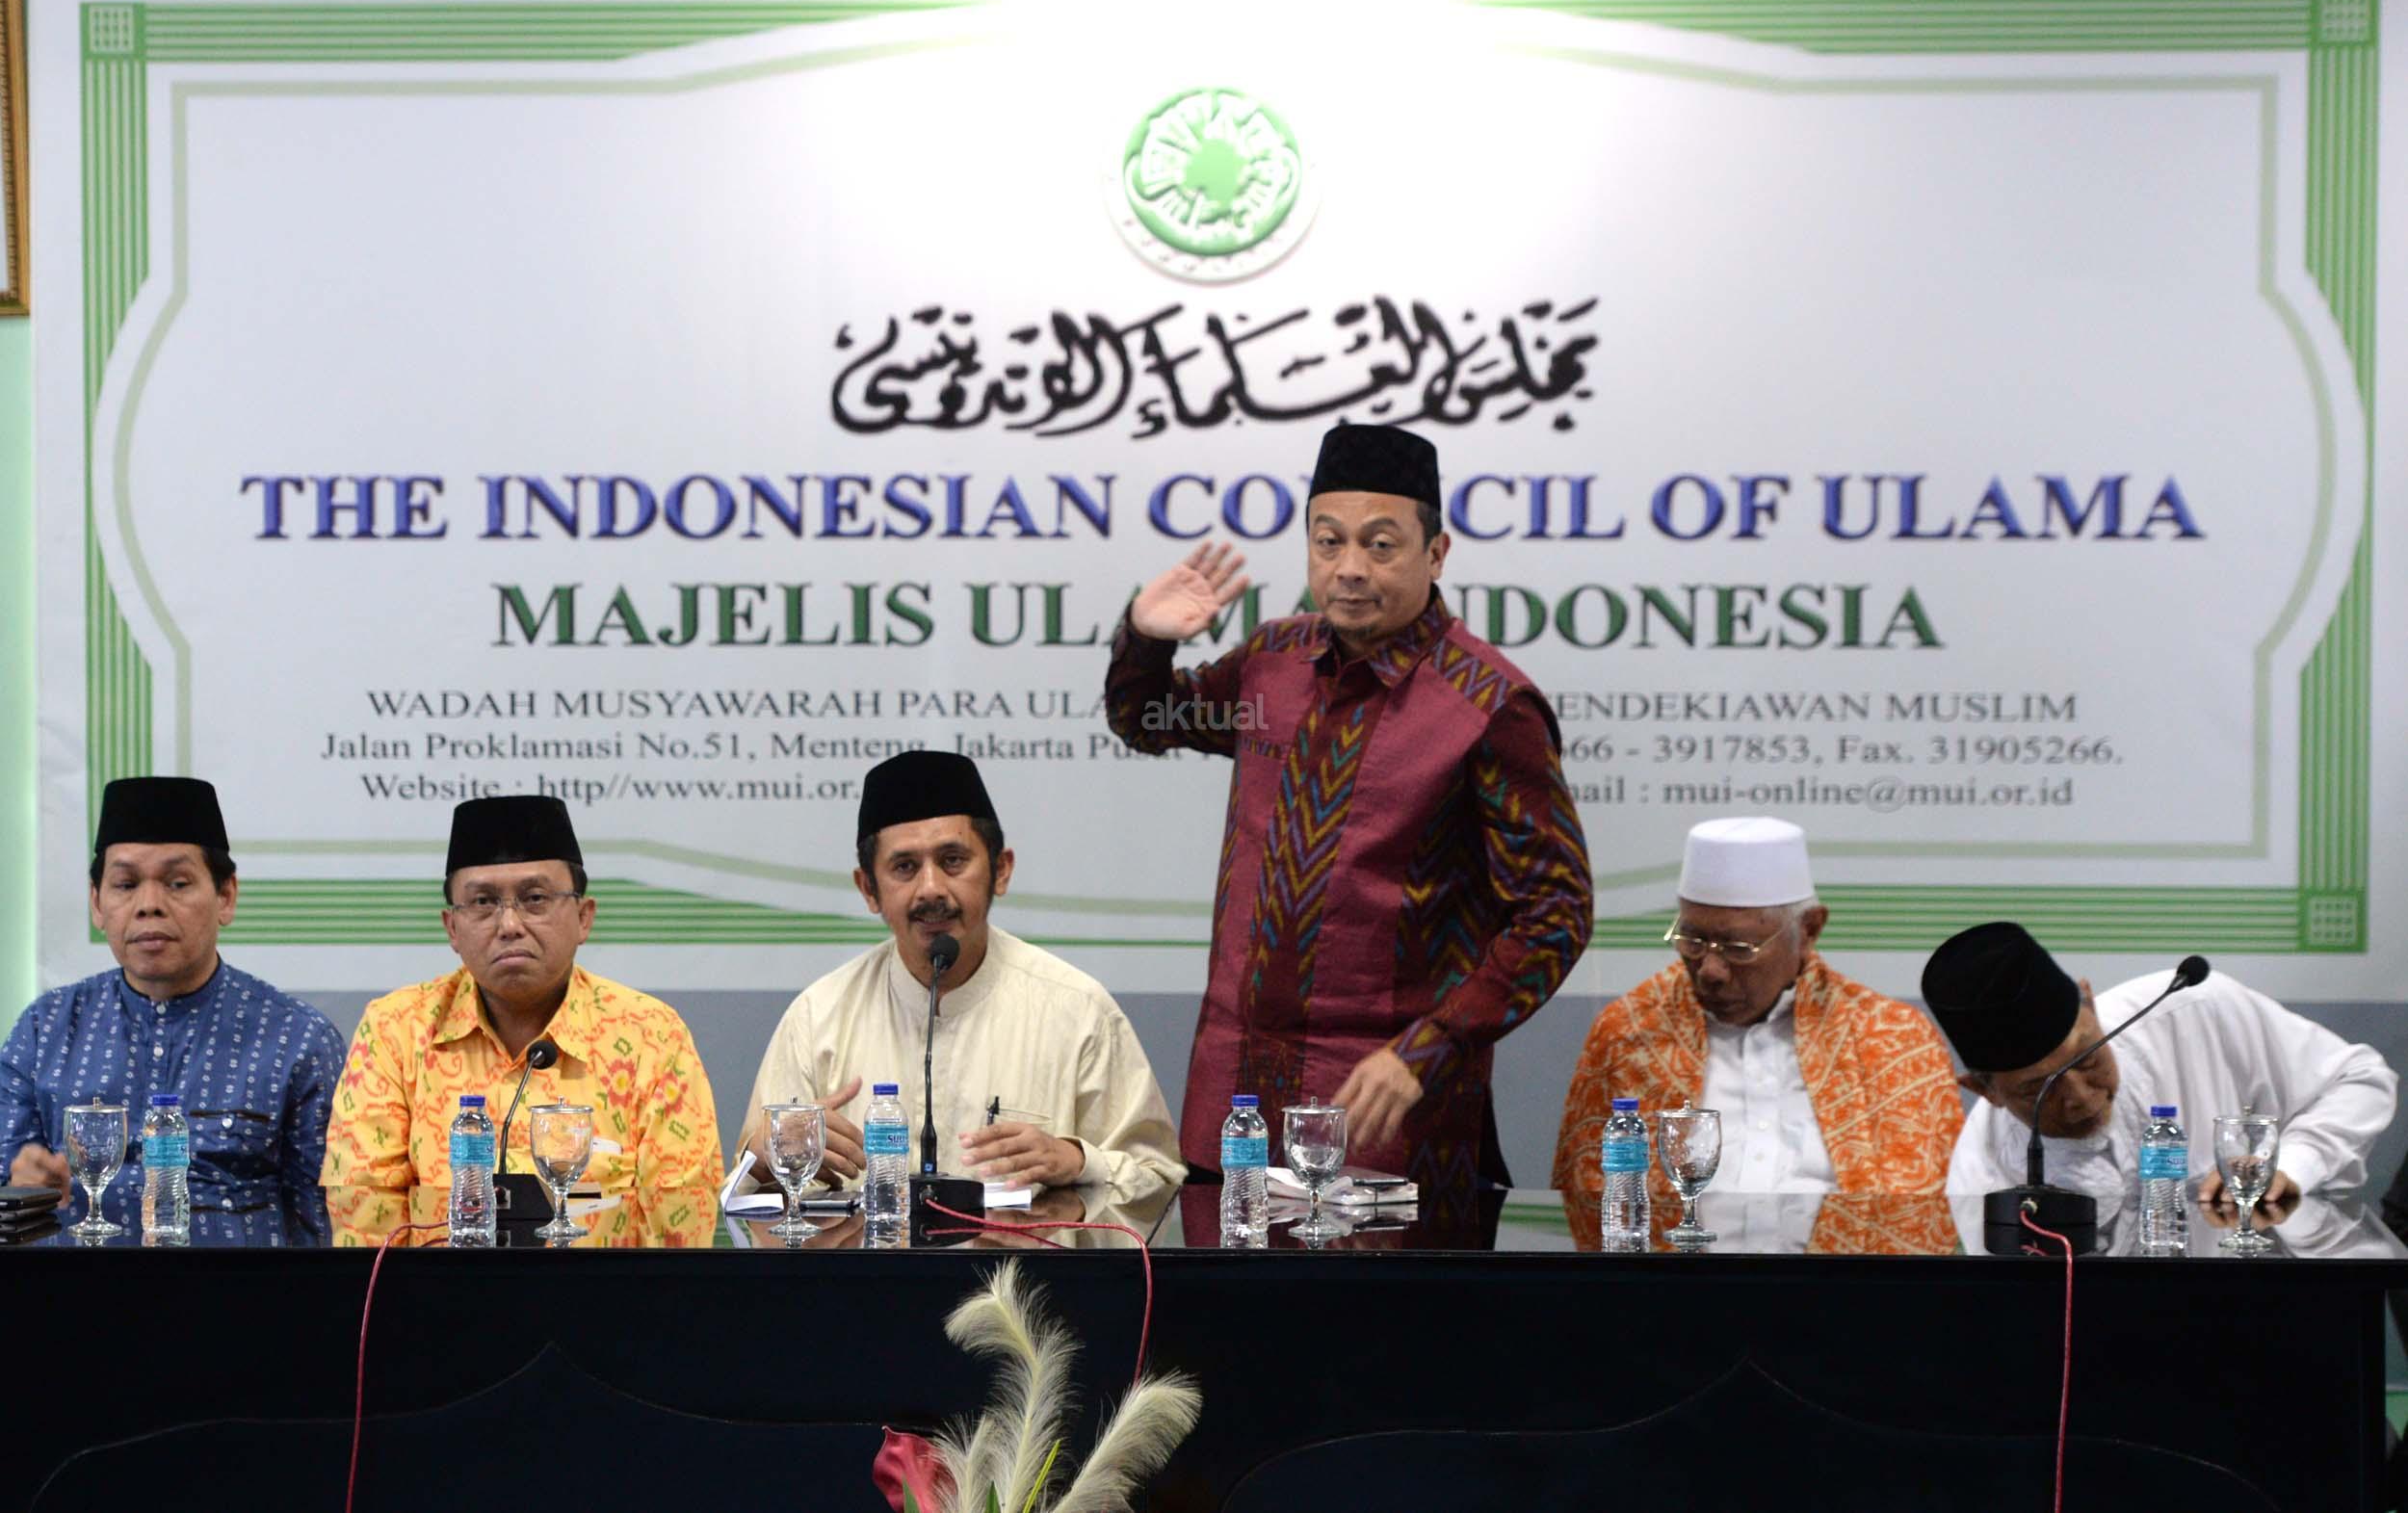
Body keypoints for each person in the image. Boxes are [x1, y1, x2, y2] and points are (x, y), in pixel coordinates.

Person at [1104, 421, 1593, 1187]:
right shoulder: (1272, 661)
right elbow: (1146, 720)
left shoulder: (1490, 706)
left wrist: (1429, 1047)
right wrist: (1145, 638)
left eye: (1381, 545)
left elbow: (1556, 915)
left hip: (1385, 1119)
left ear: (1437, 553)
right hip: (1232, 1105)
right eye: (1328, 542)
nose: (1350, 568)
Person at [739, 751, 1182, 1210]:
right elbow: (745, 1197)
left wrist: (1078, 1161)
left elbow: (1160, 1177)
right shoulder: (818, 1017)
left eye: (952, 860)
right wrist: (766, 1158)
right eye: (904, 867)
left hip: (1027, 1258)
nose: (931, 888)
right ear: (869, 889)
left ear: (1001, 870)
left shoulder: (1078, 1010)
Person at [1553, 818, 1961, 1216]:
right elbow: (1589, 1201)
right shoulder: (1628, 1032)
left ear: (1809, 930)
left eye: (1739, 948)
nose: (1711, 970)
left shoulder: (1894, 1039)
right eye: (1693, 941)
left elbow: (1922, 1212)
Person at [321, 795, 721, 1190]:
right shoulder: (396, 1030)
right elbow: (362, 1202)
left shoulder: (650, 1034)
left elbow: (682, 1209)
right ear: (452, 928)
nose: (509, 925)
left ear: (584, 918)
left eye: (535, 899)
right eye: (483, 902)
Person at [1, 776, 344, 1205]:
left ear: (225, 896)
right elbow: (8, 1185)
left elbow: (330, 1220)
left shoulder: (298, 1040)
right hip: (76, 1252)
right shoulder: (45, 1030)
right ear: (97, 902)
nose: (149, 905)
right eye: (126, 885)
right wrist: (19, 1190)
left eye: (178, 883)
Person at [1924, 921, 2395, 1210]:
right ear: (1986, 1092)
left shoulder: (2196, 1009)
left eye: (2089, 1058)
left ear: (2090, 1001)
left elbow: (2360, 1081)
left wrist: (2291, 1164)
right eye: (2038, 1090)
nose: (2082, 1098)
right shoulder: (1983, 1178)